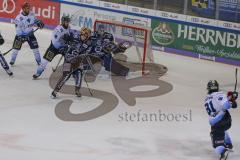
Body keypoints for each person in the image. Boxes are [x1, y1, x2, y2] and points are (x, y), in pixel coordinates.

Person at [51, 27, 92, 98]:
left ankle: (77, 90)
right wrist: (64, 46)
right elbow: (62, 38)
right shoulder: (74, 36)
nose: (83, 37)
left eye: (85, 36)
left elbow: (86, 54)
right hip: (68, 59)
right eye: (82, 35)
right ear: (80, 34)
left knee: (79, 74)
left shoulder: (88, 44)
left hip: (78, 61)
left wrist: (83, 58)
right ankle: (55, 91)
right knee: (66, 75)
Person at [204, 80, 238, 160]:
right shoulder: (220, 94)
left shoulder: (206, 99)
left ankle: (223, 151)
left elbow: (225, 105)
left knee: (216, 143)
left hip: (216, 123)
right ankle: (228, 143)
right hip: (227, 121)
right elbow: (232, 105)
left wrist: (230, 99)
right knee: (222, 129)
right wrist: (232, 98)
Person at [32, 15, 71, 79]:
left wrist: (68, 43)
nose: (68, 23)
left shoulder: (68, 28)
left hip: (64, 47)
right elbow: (55, 41)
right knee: (44, 61)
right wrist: (60, 47)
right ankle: (38, 72)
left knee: (69, 58)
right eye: (66, 22)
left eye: (68, 22)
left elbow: (68, 38)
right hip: (54, 47)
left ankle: (66, 72)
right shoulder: (58, 29)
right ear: (63, 22)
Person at [9, 2, 44, 66]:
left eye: (29, 8)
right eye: (27, 8)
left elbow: (35, 20)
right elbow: (18, 29)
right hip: (20, 35)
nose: (29, 9)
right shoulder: (19, 18)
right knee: (15, 49)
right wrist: (20, 37)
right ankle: (12, 60)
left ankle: (39, 61)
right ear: (23, 9)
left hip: (30, 34)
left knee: (35, 49)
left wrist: (38, 23)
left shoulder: (32, 14)